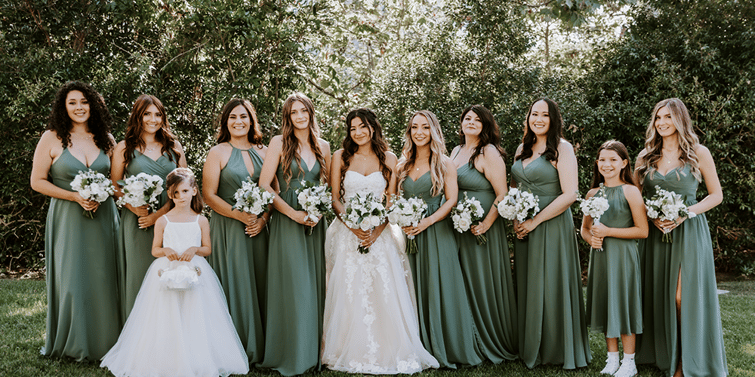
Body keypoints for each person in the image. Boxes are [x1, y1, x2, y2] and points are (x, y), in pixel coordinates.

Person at [321, 108, 439, 374]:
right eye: (352, 128)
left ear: (373, 127)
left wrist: (376, 229)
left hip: (381, 233)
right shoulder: (341, 157)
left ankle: (389, 348)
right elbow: (335, 199)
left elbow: (391, 199)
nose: (358, 132)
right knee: (348, 289)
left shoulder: (388, 157)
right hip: (347, 233)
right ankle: (343, 348)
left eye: (362, 126)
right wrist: (353, 227)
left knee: (383, 289)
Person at [100, 168, 249, 377]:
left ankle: (196, 355)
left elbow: (207, 249)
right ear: (169, 194)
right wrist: (165, 251)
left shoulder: (201, 220)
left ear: (194, 191)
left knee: (194, 313)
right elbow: (155, 250)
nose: (181, 197)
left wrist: (194, 249)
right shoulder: (163, 220)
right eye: (176, 193)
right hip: (166, 270)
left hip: (195, 270)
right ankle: (167, 358)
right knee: (166, 315)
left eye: (185, 191)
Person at [634, 98, 728, 377]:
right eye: (658, 118)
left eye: (668, 117)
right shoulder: (646, 155)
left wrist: (685, 213)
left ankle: (685, 360)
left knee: (680, 296)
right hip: (655, 233)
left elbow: (716, 195)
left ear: (680, 120)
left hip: (688, 231)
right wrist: (651, 217)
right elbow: (635, 196)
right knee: (656, 293)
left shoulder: (699, 152)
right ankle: (660, 353)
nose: (662, 123)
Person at [30, 81, 121, 361]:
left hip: (105, 218)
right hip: (68, 219)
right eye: (72, 102)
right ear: (63, 107)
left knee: (106, 277)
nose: (79, 107)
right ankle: (73, 344)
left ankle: (109, 343)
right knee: (72, 278)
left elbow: (117, 183)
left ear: (93, 104)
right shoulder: (51, 137)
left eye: (84, 101)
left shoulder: (105, 138)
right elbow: (37, 182)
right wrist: (74, 196)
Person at [397, 110, 483, 368]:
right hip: (409, 233)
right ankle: (419, 345)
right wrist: (403, 219)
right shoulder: (402, 164)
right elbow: (393, 198)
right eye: (414, 127)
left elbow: (452, 200)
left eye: (425, 127)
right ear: (409, 132)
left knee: (442, 286)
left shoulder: (444, 163)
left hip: (436, 231)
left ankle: (448, 346)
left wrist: (427, 222)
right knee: (413, 286)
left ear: (433, 130)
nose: (419, 132)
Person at [510, 98, 591, 369]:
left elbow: (570, 194)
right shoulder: (522, 148)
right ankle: (530, 344)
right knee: (529, 284)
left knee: (552, 283)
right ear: (528, 117)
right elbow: (514, 188)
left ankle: (557, 349)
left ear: (554, 119)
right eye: (535, 114)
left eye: (545, 115)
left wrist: (536, 222)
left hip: (552, 224)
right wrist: (516, 220)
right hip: (524, 227)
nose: (539, 119)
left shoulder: (563, 149)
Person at [257, 93, 331, 376]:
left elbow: (326, 187)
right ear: (287, 118)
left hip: (315, 224)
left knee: (315, 286)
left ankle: (315, 353)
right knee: (294, 286)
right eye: (293, 113)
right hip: (288, 220)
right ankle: (291, 354)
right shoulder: (279, 142)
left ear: (311, 113)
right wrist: (292, 214)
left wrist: (319, 212)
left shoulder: (323, 145)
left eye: (304, 111)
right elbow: (265, 184)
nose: (299, 116)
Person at [203, 99, 271, 365]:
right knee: (234, 282)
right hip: (229, 227)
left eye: (244, 116)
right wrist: (238, 214)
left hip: (259, 228)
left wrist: (263, 219)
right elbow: (208, 195)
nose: (238, 122)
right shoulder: (217, 152)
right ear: (225, 121)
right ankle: (234, 347)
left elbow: (271, 190)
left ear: (251, 120)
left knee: (260, 281)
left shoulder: (265, 152)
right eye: (232, 117)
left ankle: (262, 346)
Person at [450, 104, 518, 363]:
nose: (471, 122)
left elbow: (502, 193)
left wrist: (487, 223)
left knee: (481, 283)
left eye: (477, 120)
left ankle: (491, 339)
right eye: (467, 118)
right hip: (459, 228)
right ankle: (467, 339)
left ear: (485, 125)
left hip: (482, 230)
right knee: (463, 284)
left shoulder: (488, 152)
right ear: (461, 123)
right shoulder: (456, 151)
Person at [111, 94, 187, 322]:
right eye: (147, 114)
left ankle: (171, 329)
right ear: (138, 116)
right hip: (137, 221)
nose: (153, 119)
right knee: (138, 273)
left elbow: (185, 183)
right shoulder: (124, 147)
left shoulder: (174, 147)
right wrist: (135, 209)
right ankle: (137, 333)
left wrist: (159, 215)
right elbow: (115, 186)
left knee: (170, 271)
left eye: (158, 114)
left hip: (171, 216)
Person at [580, 140, 647, 377]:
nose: (606, 164)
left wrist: (608, 232)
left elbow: (642, 230)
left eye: (612, 160)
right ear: (597, 163)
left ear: (624, 163)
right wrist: (592, 239)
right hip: (601, 256)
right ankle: (612, 359)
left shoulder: (631, 191)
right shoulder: (592, 193)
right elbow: (585, 229)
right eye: (602, 160)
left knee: (624, 304)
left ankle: (630, 362)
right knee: (607, 302)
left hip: (623, 257)